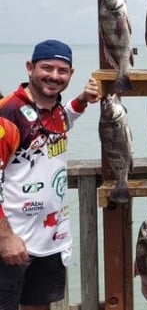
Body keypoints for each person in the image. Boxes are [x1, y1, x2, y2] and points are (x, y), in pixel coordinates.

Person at [0, 39, 100, 310]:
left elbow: (64, 120)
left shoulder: (54, 110)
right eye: (47, 68)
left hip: (49, 238)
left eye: (62, 70)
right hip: (13, 240)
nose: (54, 76)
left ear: (70, 74)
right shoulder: (8, 112)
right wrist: (5, 237)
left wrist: (82, 100)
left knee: (40, 305)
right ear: (30, 67)